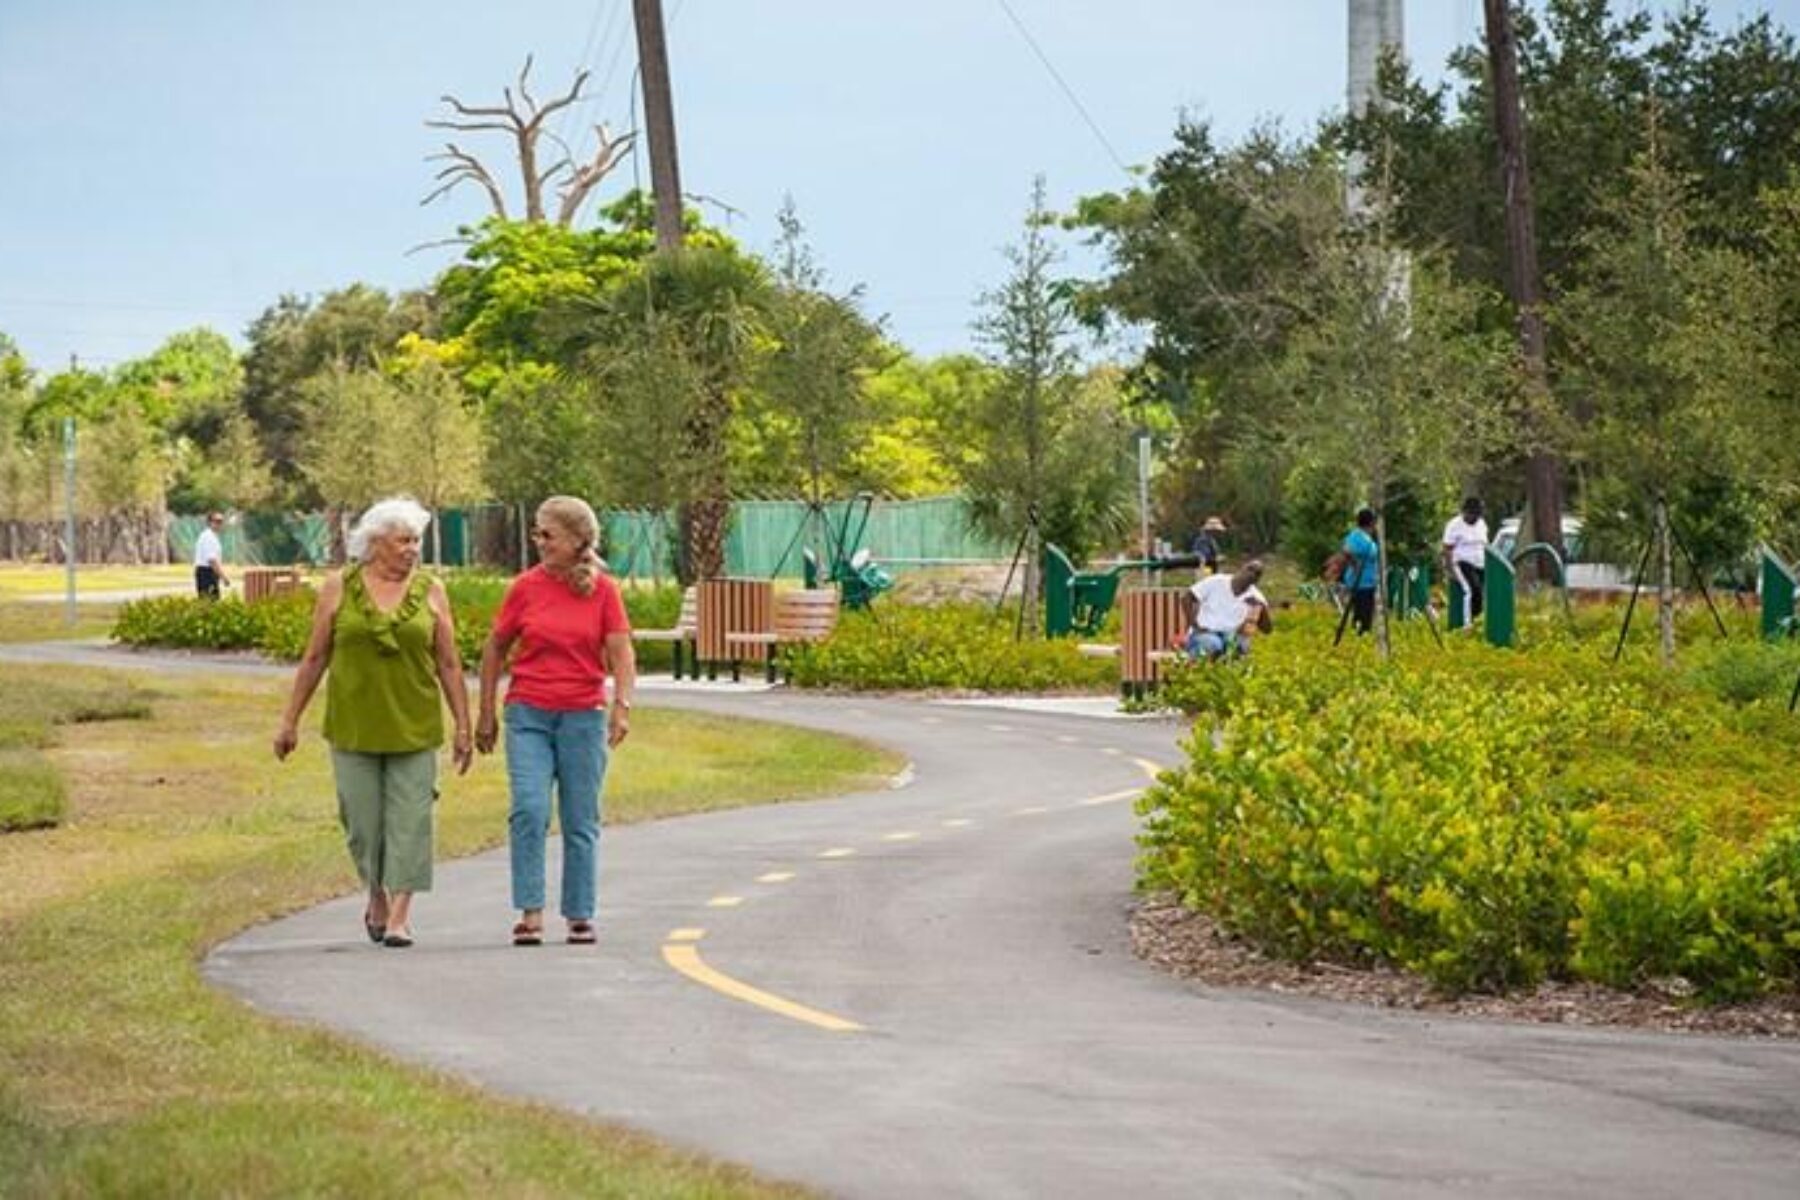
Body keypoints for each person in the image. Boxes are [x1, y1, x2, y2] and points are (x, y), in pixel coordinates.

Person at [273, 497, 473, 948]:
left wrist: (463, 724)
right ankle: (375, 895)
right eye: (404, 540)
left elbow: (449, 664)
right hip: (354, 724)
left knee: (411, 820)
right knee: (363, 823)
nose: (412, 549)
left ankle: (400, 915)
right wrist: (289, 721)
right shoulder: (339, 587)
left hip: (414, 723)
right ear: (375, 542)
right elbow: (315, 656)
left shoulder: (431, 590)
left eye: (416, 540)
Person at [476, 496, 636, 948]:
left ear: (576, 539)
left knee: (580, 818)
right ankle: (530, 911)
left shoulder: (603, 590)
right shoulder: (524, 588)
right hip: (529, 713)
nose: (539, 542)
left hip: (583, 716)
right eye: (537, 533)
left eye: (548, 534)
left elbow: (622, 652)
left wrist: (622, 705)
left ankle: (579, 914)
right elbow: (495, 648)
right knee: (529, 809)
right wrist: (486, 711)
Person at [1184, 558, 1272, 660]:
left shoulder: (1256, 596)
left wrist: (1262, 608)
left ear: (1258, 579)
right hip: (1205, 632)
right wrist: (1194, 624)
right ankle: (1194, 668)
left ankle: (1230, 674)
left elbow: (1267, 629)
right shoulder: (1217, 581)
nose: (1251, 574)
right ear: (1242, 568)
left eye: (1257, 573)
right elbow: (1187, 597)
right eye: (1250, 569)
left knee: (1241, 645)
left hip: (1231, 636)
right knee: (1214, 644)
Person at [1442, 497, 1490, 627]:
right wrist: (1449, 569)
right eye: (1472, 514)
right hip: (1462, 561)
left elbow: (1485, 545)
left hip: (1480, 562)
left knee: (1481, 592)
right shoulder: (1454, 525)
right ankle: (1468, 624)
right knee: (1471, 589)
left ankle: (1479, 620)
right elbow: (1447, 548)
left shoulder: (1482, 524)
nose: (1474, 518)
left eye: (1477, 515)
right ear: (1465, 512)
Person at [1343, 507, 1381, 635]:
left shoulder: (1358, 535)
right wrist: (1355, 564)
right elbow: (1347, 551)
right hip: (1361, 583)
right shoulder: (1359, 537)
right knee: (1363, 616)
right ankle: (1359, 639)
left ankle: (1358, 639)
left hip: (1363, 582)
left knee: (1361, 614)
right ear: (1371, 522)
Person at [193, 511, 228, 599]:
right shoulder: (208, 537)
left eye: (221, 521)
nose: (219, 524)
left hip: (209, 572)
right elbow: (212, 560)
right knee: (210, 602)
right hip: (207, 572)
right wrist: (223, 576)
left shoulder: (212, 536)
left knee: (209, 602)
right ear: (209, 522)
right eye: (216, 521)